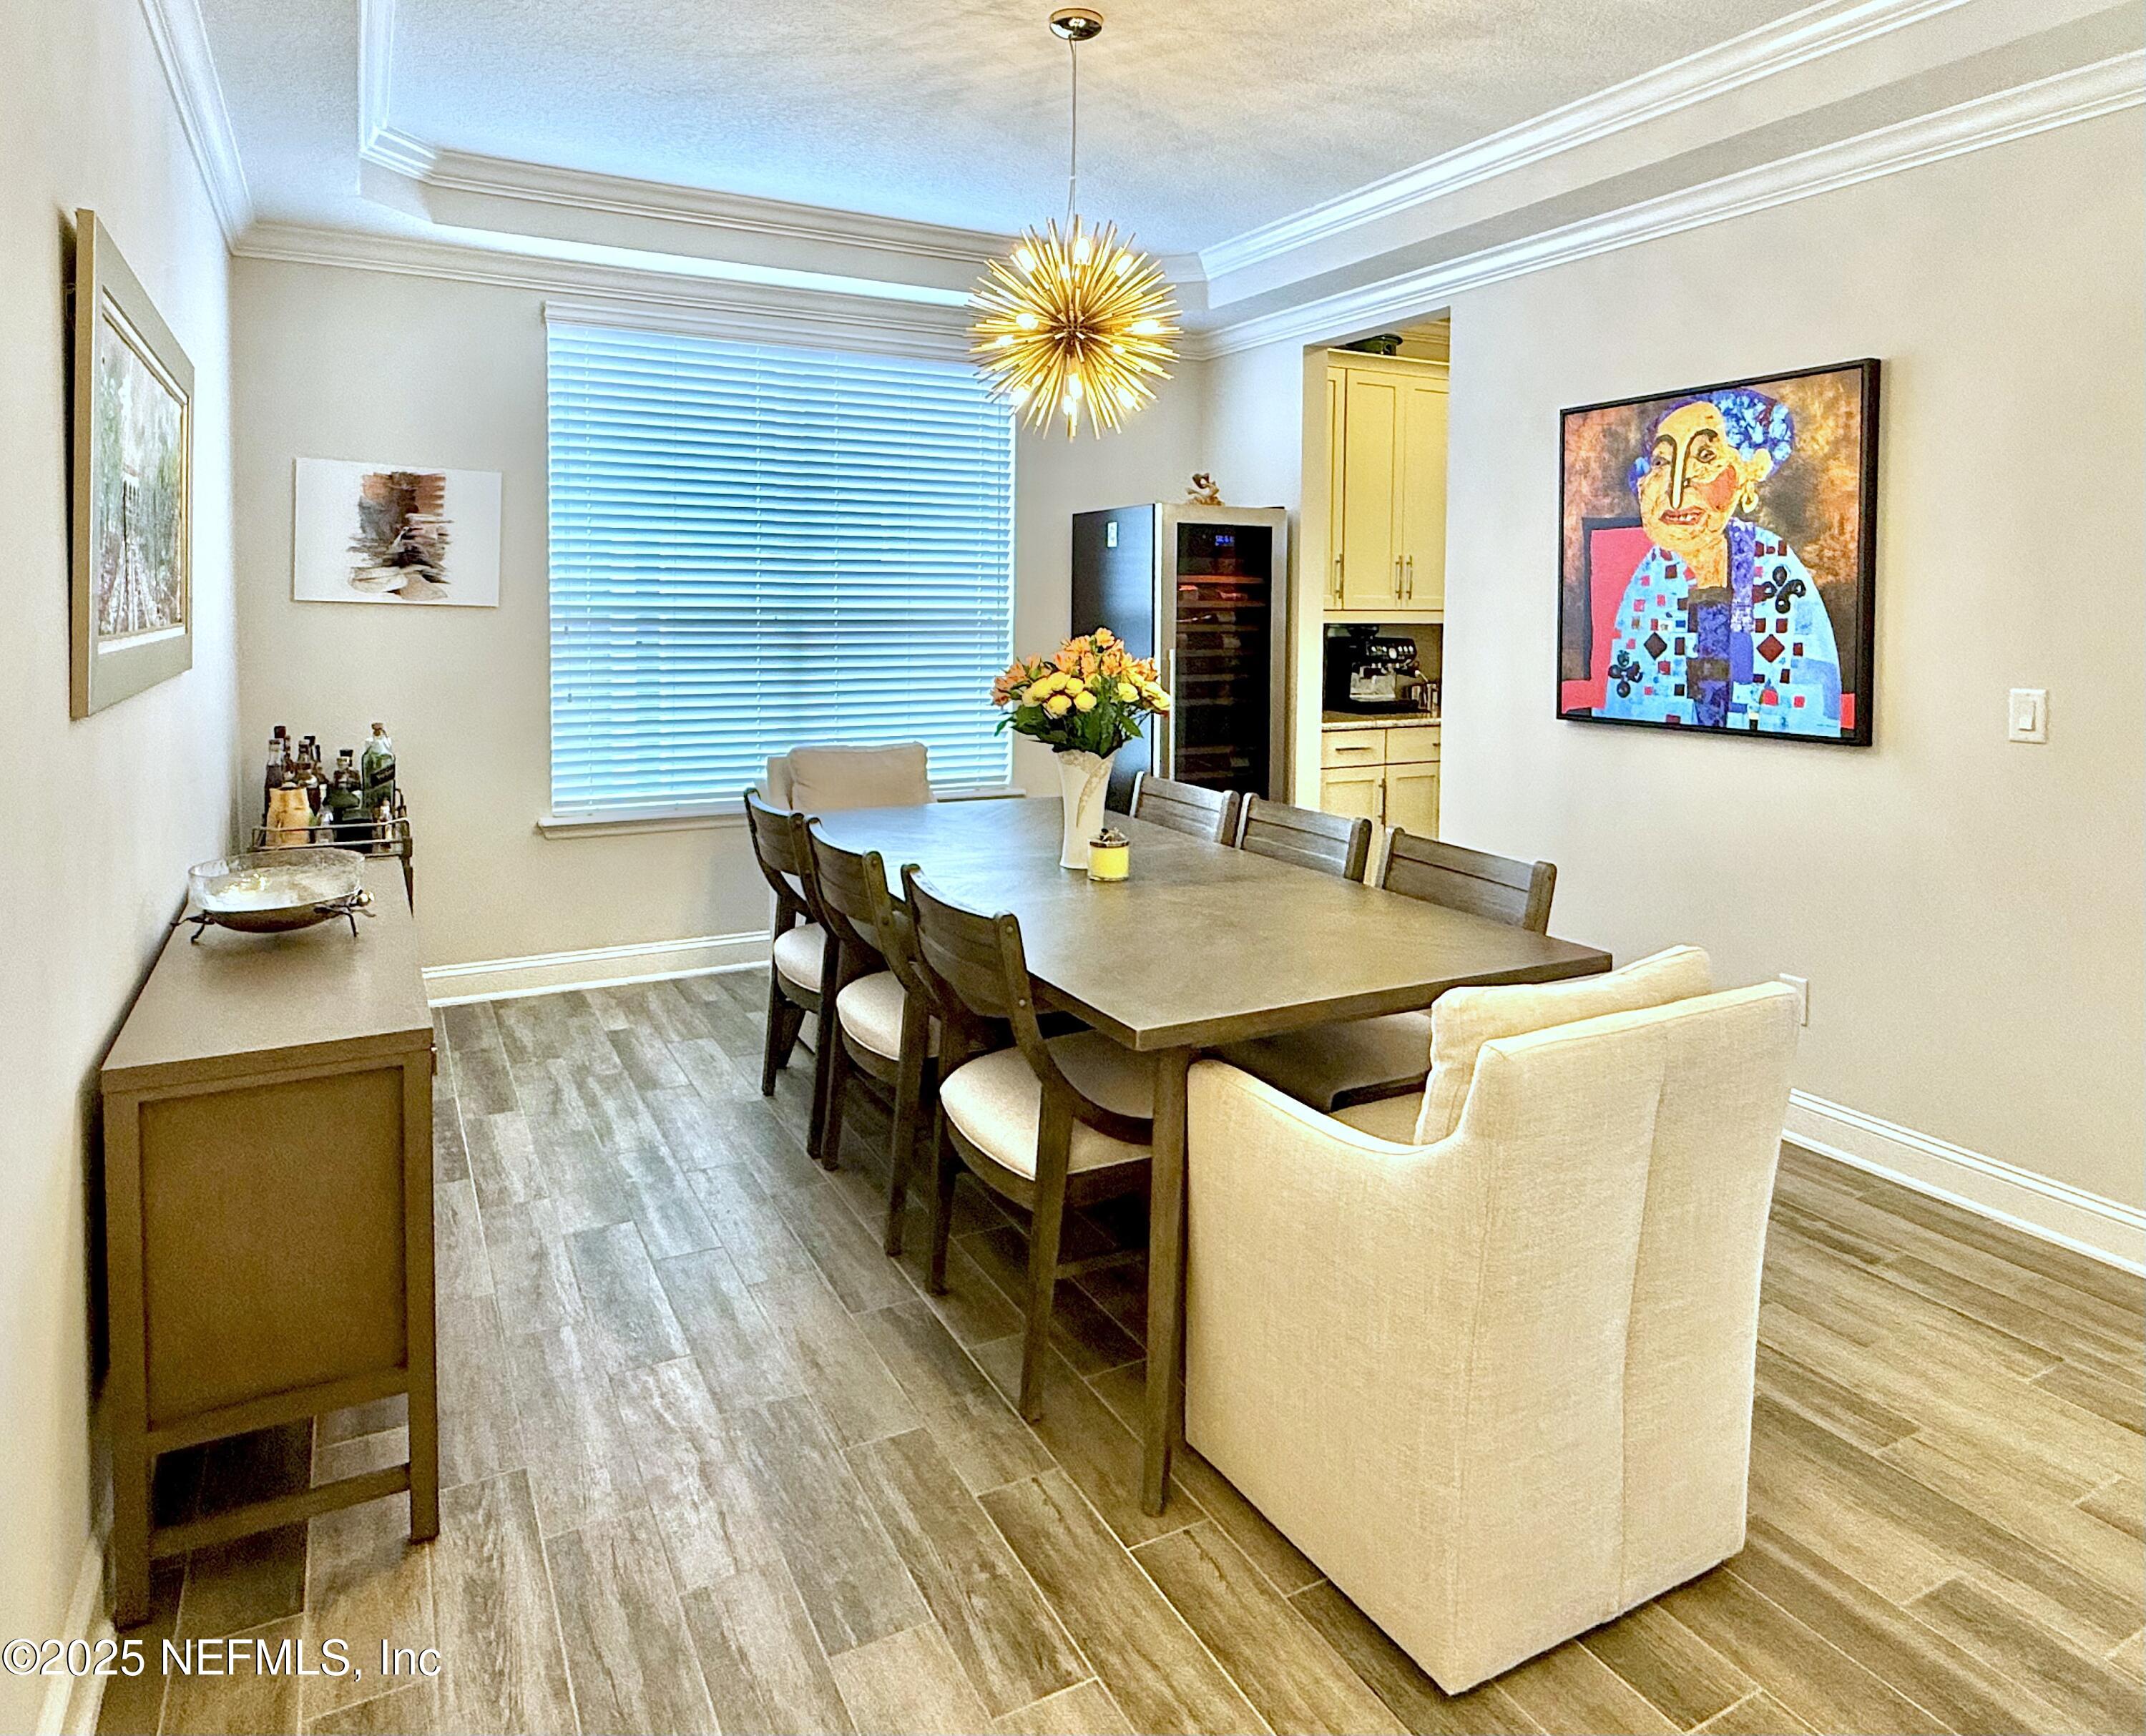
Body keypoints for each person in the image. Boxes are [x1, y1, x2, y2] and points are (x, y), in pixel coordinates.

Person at [1598, 386, 1843, 735]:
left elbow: (1809, 714)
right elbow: (1629, 706)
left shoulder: (1777, 571)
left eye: (1705, 456)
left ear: (1746, 482)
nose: (1676, 490)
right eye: (1662, 462)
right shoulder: (1650, 581)